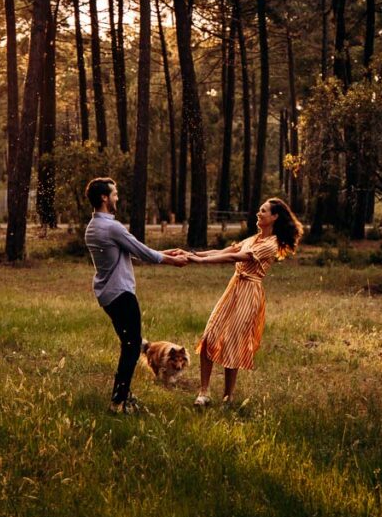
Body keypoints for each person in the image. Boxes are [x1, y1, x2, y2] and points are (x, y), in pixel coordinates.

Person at [84, 177, 189, 414]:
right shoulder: (112, 227)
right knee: (131, 347)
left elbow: (132, 250)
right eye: (115, 194)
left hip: (107, 295)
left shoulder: (93, 227)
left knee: (129, 344)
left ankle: (122, 394)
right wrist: (172, 260)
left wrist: (162, 253)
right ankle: (118, 401)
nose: (117, 198)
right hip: (122, 294)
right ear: (104, 197)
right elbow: (141, 251)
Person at [189, 198, 302, 407]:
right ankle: (204, 392)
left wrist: (201, 261)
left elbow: (237, 258)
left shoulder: (271, 244)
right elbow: (226, 252)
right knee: (209, 335)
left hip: (249, 293)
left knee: (233, 343)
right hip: (233, 288)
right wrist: (193, 255)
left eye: (263, 211)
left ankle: (228, 398)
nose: (259, 214)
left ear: (274, 217)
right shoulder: (254, 238)